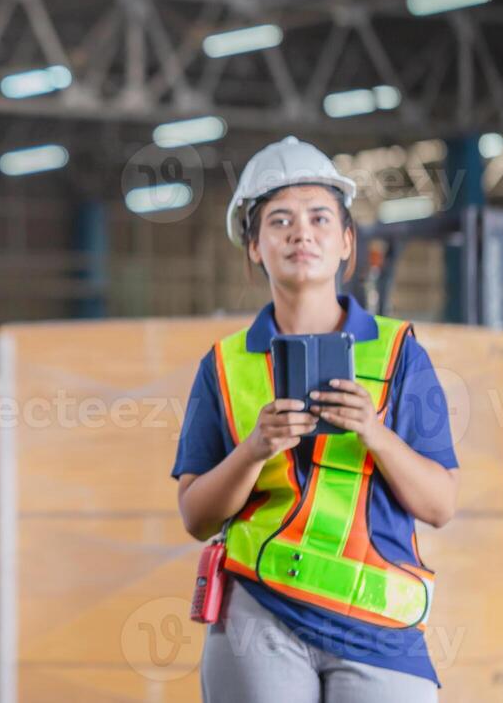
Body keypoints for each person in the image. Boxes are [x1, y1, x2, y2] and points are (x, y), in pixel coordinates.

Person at [173, 136, 459, 702]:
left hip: (378, 625)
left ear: (346, 240)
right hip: (261, 610)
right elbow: (195, 515)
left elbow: (440, 505)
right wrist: (255, 448)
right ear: (254, 246)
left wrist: (374, 432)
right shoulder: (224, 365)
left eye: (319, 218)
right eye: (278, 221)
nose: (300, 233)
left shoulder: (399, 353)